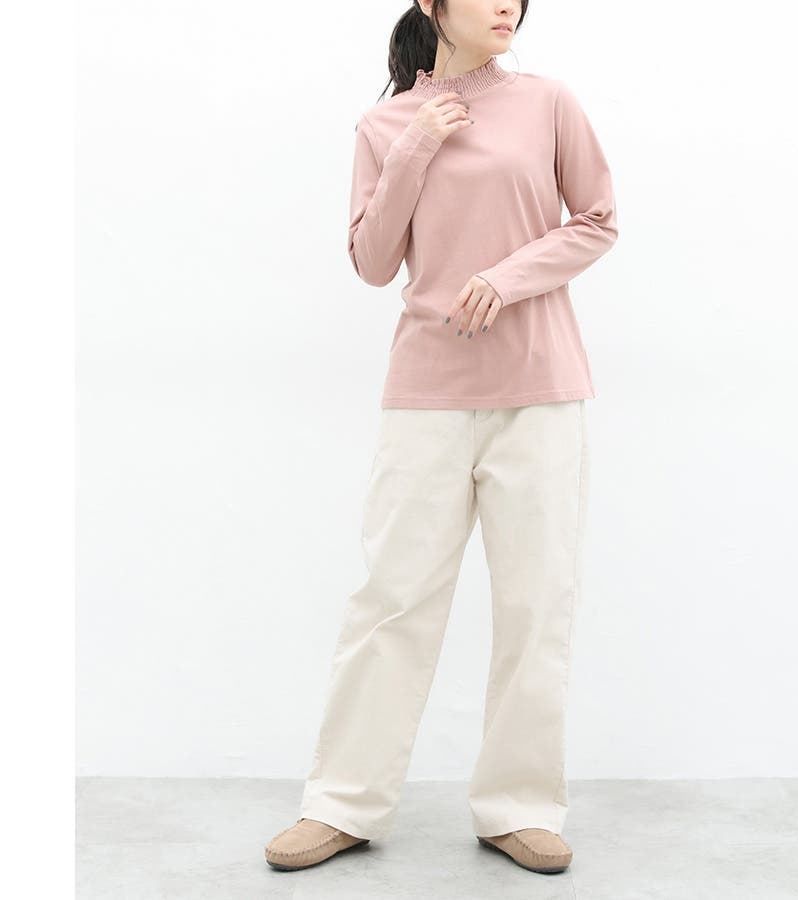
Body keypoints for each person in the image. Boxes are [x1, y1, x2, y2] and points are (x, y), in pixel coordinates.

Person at [264, 0, 617, 876]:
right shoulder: (385, 125)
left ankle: (519, 806)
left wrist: (508, 275)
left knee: (536, 603)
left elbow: (597, 219)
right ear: (432, 4)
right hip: (426, 392)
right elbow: (373, 261)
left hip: (540, 389)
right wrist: (417, 143)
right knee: (392, 600)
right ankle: (342, 803)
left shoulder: (548, 102)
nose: (506, 6)